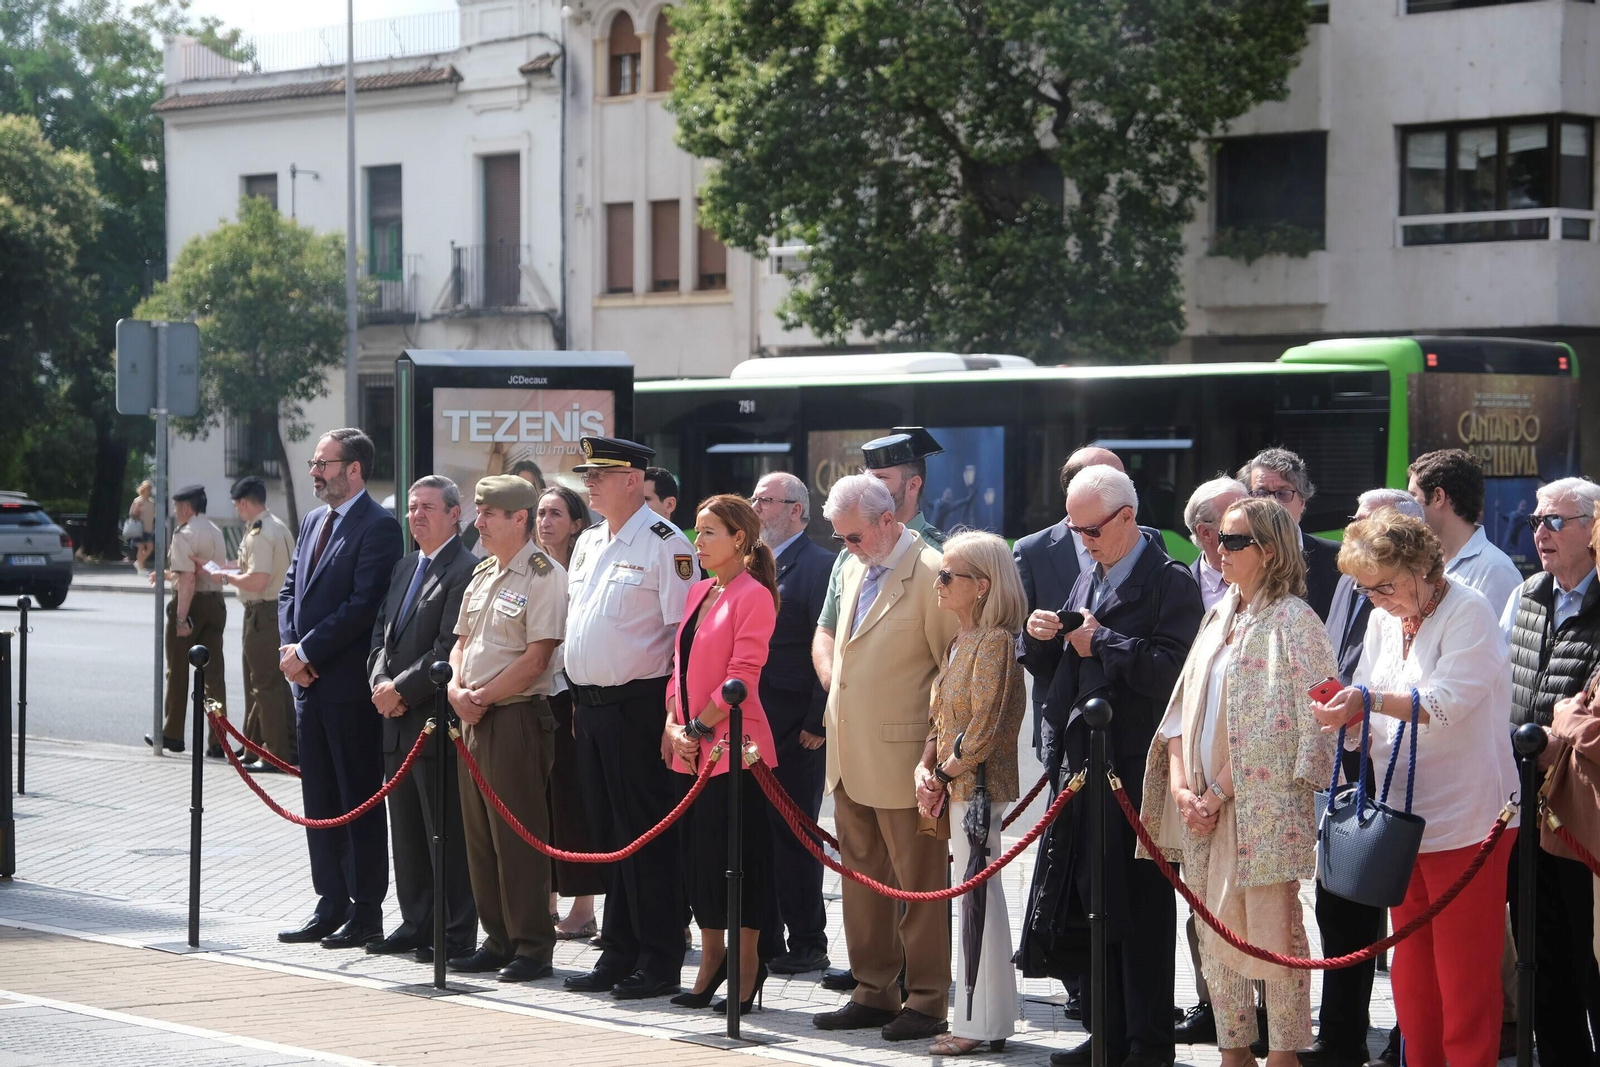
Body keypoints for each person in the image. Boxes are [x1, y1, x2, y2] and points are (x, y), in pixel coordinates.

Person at [1313, 511, 1520, 1067]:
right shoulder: (1384, 619)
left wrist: (1367, 702)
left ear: (1423, 569)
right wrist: (1348, 715)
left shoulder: (1469, 610)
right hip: (1399, 819)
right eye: (1366, 588)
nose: (1376, 599)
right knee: (1412, 973)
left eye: (1385, 585)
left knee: (1464, 976)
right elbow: (1375, 696)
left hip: (1469, 818)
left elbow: (1447, 703)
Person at [1018, 464, 1202, 1067]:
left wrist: (1101, 641)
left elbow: (1173, 672)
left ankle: (1149, 1043)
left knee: (1141, 909)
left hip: (1136, 770)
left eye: (1091, 530)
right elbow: (1062, 664)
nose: (1083, 541)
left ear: (1127, 518)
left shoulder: (1169, 581)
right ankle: (1108, 1031)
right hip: (1084, 766)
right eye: (1075, 531)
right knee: (1093, 902)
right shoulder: (1089, 572)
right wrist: (1043, 635)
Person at [1142, 497, 1336, 1067]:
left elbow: (1303, 721)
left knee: (1273, 933)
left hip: (1262, 810)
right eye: (1217, 538)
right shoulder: (1220, 611)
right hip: (1202, 805)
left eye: (1233, 541)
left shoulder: (1296, 621)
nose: (1216, 549)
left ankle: (1282, 1054)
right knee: (1213, 934)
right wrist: (1182, 788)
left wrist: (1219, 792)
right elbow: (1180, 711)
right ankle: (1232, 1051)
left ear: (1270, 552)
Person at [810, 473, 959, 1042]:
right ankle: (873, 989)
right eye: (840, 536)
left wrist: (935, 758)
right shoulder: (853, 566)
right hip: (851, 754)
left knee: (918, 886)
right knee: (862, 881)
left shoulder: (931, 572)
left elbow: (952, 670)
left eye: (852, 536)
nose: (844, 546)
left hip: (906, 761)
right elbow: (836, 644)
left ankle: (926, 998)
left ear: (886, 521)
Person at [561, 436, 697, 1000]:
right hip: (590, 708)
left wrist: (673, 716)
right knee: (607, 835)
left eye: (600, 474)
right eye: (586, 474)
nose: (588, 482)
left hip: (639, 708)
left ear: (633, 479)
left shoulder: (666, 543)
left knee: (646, 836)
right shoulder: (591, 540)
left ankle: (659, 956)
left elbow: (682, 639)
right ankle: (617, 950)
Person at [1305, 488, 1421, 1067]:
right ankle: (1341, 1036)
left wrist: (1362, 704)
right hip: (1348, 761)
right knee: (1338, 904)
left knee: (1399, 917)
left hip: (1401, 769)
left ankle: (1406, 1036)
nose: (1352, 523)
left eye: (1366, 516)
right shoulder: (1352, 581)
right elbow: (1336, 655)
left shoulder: (1428, 599)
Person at [276, 428, 403, 950]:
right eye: (313, 463)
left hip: (350, 691)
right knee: (319, 800)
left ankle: (366, 911)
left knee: (357, 802)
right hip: (308, 687)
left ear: (354, 469)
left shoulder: (379, 526)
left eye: (323, 463)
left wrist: (306, 653)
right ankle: (329, 903)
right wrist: (291, 651)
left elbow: (361, 606)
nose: (314, 471)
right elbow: (289, 590)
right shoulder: (311, 521)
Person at [444, 475, 567, 982]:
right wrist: (455, 690)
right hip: (472, 715)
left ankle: (531, 947)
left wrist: (481, 697)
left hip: (514, 716)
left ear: (520, 518)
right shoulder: (483, 574)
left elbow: (538, 657)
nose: (479, 522)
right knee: (479, 837)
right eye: (478, 511)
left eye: (489, 513)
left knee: (518, 838)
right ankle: (496, 940)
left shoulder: (543, 574)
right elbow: (460, 644)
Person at [665, 494, 781, 1015]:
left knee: (740, 863)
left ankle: (746, 967)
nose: (698, 540)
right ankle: (711, 961)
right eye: (697, 530)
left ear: (739, 538)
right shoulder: (699, 593)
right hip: (690, 752)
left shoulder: (753, 595)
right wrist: (674, 725)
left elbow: (743, 675)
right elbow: (677, 666)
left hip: (735, 751)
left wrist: (695, 726)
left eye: (709, 531)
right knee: (699, 863)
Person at [915, 531, 1028, 1056]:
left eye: (946, 575)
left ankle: (979, 1024)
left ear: (981, 586)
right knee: (977, 899)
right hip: (957, 788)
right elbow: (942, 719)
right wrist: (927, 766)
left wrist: (940, 775)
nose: (937, 584)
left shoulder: (996, 641)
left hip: (976, 791)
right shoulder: (963, 640)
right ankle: (985, 1019)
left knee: (977, 901)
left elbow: (983, 730)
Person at [1501, 477, 1600, 1065]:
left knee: (1587, 953)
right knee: (1539, 947)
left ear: (1594, 530)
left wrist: (1558, 735)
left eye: (1556, 521)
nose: (1540, 531)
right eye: (1536, 519)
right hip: (1525, 798)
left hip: (1580, 806)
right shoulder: (1531, 592)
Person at [364, 476, 479, 961]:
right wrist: (377, 681)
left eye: (428, 507)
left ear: (454, 514)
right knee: (407, 832)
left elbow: (446, 646)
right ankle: (415, 922)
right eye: (412, 507)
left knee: (443, 831)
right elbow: (380, 633)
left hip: (431, 721)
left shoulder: (465, 568)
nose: (417, 515)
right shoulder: (406, 565)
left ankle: (453, 932)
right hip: (395, 721)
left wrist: (401, 690)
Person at [749, 471, 834, 975]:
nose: (757, 508)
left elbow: (826, 646)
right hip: (754, 724)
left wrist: (817, 720)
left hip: (796, 726)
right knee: (760, 834)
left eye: (767, 501)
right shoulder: (752, 566)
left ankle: (808, 939)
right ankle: (769, 936)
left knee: (796, 833)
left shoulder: (818, 565)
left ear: (797, 509)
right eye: (754, 500)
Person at [535, 485, 606, 939]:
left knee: (570, 803)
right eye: (540, 512)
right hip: (531, 697)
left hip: (569, 694)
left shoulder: (581, 568)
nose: (544, 521)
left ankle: (583, 907)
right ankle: (547, 901)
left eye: (556, 513)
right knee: (539, 804)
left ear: (577, 523)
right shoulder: (529, 568)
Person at [145, 484, 231, 757]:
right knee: (214, 676)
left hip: (191, 605)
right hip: (216, 603)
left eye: (175, 507)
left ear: (184, 508)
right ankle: (219, 741)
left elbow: (189, 579)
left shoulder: (184, 534)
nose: (174, 512)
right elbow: (205, 571)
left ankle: (172, 734)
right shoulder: (215, 531)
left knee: (178, 671)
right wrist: (168, 574)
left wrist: (181, 618)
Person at [223, 476, 297, 770]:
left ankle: (276, 754)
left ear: (243, 502)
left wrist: (225, 577)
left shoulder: (259, 532)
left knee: (264, 685)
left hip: (264, 612)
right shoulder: (277, 526)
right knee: (272, 684)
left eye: (237, 505)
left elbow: (258, 579)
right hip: (277, 610)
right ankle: (268, 748)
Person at [1409, 449, 1522, 614]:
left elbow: (1503, 639)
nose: (1409, 507)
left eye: (1413, 496)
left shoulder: (1496, 570)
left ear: (1438, 497)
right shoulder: (1421, 563)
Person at [1237, 448, 1340, 621]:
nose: (1272, 502)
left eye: (1283, 493)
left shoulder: (1335, 558)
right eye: (1261, 493)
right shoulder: (1234, 552)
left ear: (1302, 502)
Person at [1183, 476, 1250, 613]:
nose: (1252, 526)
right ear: (1205, 533)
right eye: (1235, 519)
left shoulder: (1274, 581)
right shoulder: (1176, 588)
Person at [129, 480, 156, 572]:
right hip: (139, 528)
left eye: (150, 489)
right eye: (147, 489)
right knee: (141, 547)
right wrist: (137, 508)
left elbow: (153, 515)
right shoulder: (137, 500)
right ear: (143, 490)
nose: (149, 491)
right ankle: (140, 567)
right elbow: (132, 515)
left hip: (149, 528)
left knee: (150, 548)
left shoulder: (152, 502)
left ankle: (139, 562)